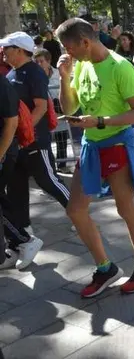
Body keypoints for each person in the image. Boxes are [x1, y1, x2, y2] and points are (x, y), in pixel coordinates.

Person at [55, 17, 134, 298]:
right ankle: (105, 268)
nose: (66, 53)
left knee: (126, 210)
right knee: (75, 209)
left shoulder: (121, 67)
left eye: (68, 47)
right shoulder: (81, 65)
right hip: (91, 146)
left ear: (85, 42)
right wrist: (64, 77)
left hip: (118, 144)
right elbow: (70, 106)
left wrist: (99, 121)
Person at [1, 32, 70, 245]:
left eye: (7, 48)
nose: (3, 52)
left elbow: (40, 107)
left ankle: (77, 211)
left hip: (34, 141)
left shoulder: (34, 73)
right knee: (16, 189)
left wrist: (23, 132)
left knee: (48, 181)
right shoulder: (12, 73)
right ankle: (22, 233)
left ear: (21, 50)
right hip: (17, 144)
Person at [0, 70, 44, 270]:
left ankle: (23, 240)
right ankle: (14, 245)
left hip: (4, 151)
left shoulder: (3, 84)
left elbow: (12, 122)